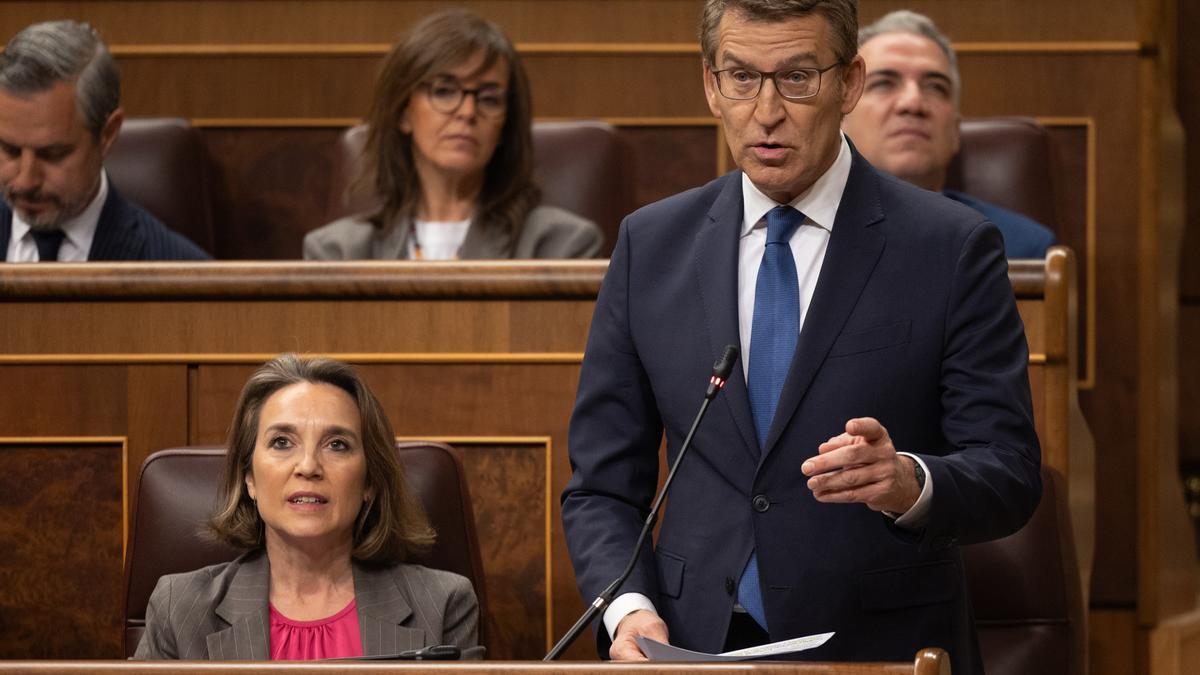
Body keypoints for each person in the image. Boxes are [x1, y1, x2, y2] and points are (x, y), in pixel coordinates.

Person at [561, 1, 1041, 672]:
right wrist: (629, 607)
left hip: (881, 650)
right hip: (689, 644)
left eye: (796, 78)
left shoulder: (949, 248)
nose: (766, 111)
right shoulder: (651, 245)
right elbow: (603, 489)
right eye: (742, 78)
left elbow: (1009, 471)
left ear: (848, 84)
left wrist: (906, 480)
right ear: (710, 85)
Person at [134, 354, 479, 660]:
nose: (308, 466)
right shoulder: (179, 609)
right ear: (249, 478)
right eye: (282, 442)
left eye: (337, 445)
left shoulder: (442, 604)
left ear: (370, 482)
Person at [305, 9, 602, 261]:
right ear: (404, 112)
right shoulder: (339, 252)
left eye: (489, 98)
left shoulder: (559, 245)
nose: (468, 111)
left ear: (504, 126)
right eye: (444, 91)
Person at [841, 10, 1056, 258]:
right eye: (884, 83)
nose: (913, 103)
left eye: (935, 87)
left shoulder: (1022, 247)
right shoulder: (803, 230)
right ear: (841, 116)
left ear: (955, 130)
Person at [0, 20, 209, 261]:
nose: (26, 182)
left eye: (52, 154)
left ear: (107, 135)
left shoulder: (178, 272)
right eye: (10, 150)